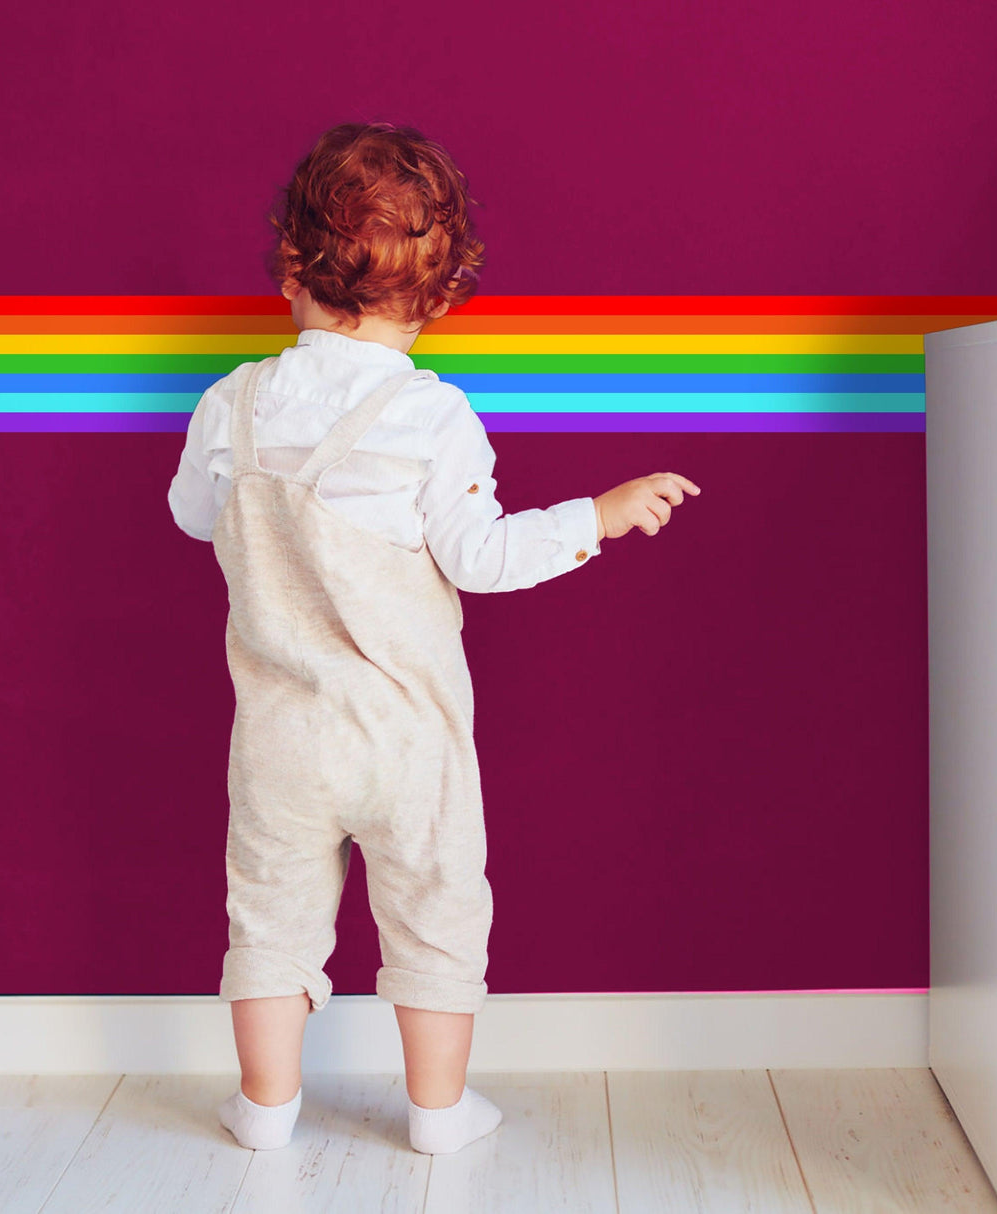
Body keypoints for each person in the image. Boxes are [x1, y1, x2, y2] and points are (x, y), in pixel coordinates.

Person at [167, 121, 700, 1156]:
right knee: (436, 913)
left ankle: (265, 1110)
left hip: (280, 736)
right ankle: (439, 1111)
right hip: (410, 739)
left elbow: (194, 515)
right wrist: (595, 516)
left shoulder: (231, 403)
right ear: (442, 298)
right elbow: (481, 558)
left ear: (291, 268)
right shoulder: (431, 415)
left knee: (269, 919)